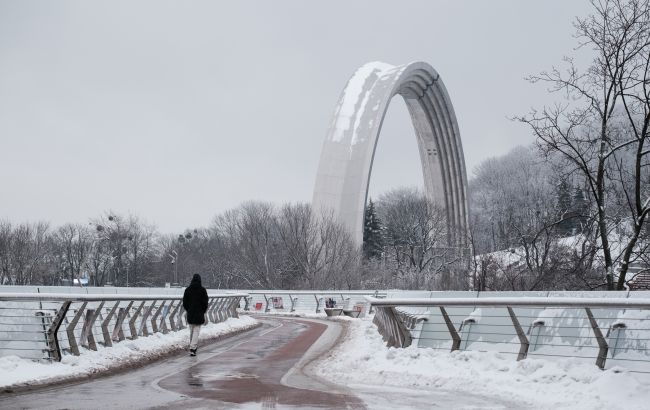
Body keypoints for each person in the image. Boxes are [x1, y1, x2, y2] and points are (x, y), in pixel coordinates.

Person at [182, 274, 208, 356]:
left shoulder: (188, 290)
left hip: (190, 312)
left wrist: (188, 309)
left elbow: (185, 302)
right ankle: (193, 348)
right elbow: (205, 303)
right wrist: (203, 310)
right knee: (196, 331)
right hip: (199, 312)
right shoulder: (203, 290)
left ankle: (192, 346)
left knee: (192, 330)